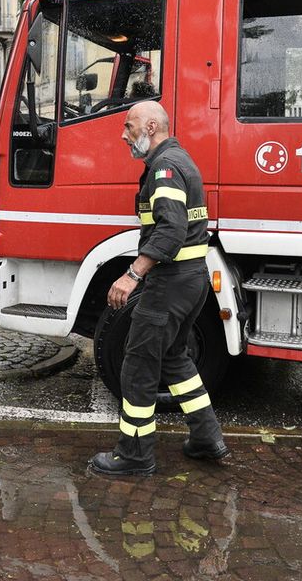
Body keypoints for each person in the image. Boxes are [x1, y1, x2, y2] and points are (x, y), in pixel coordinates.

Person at [90, 100, 227, 476]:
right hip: (192, 280)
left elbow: (171, 229)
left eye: (129, 126)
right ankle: (206, 437)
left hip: (168, 285)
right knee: (174, 358)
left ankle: (134, 455)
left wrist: (132, 274)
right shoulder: (180, 161)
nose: (123, 134)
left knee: (137, 366)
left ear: (151, 126)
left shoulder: (165, 168)